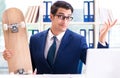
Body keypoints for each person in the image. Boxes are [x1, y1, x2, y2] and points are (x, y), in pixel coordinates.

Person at [3, 1, 109, 74]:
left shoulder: (78, 40)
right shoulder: (35, 39)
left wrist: (102, 40)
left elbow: (96, 64)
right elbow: (28, 65)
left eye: (68, 17)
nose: (65, 21)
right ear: (51, 17)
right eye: (61, 16)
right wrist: (11, 58)